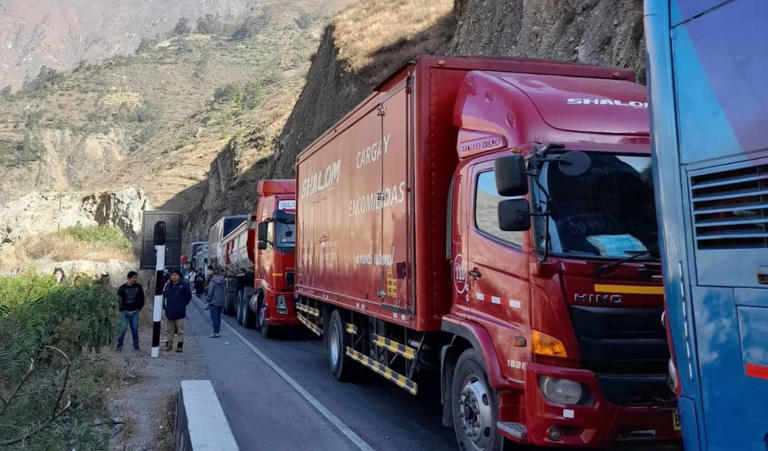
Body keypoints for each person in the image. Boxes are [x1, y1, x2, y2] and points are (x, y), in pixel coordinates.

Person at [163, 269, 192, 352]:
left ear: (179, 276)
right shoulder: (167, 285)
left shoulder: (184, 285)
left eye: (176, 275)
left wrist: (182, 304)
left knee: (180, 330)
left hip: (180, 311)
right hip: (169, 311)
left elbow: (188, 297)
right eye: (172, 275)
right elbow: (165, 296)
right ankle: (169, 344)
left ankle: (180, 345)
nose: (174, 277)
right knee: (169, 330)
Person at [116, 271, 145, 352]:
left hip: (134, 312)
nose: (135, 280)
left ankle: (136, 346)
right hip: (124, 312)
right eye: (134, 278)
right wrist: (120, 309)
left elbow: (142, 299)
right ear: (128, 278)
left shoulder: (139, 287)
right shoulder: (122, 288)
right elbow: (117, 300)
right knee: (122, 330)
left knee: (135, 330)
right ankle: (119, 346)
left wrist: (139, 308)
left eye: (136, 278)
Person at [205, 268, 227, 338]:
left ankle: (215, 332)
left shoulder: (213, 281)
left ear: (213, 274)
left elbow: (210, 292)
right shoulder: (223, 281)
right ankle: (217, 331)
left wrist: (207, 300)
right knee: (218, 317)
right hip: (220, 301)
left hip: (214, 301)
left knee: (214, 317)